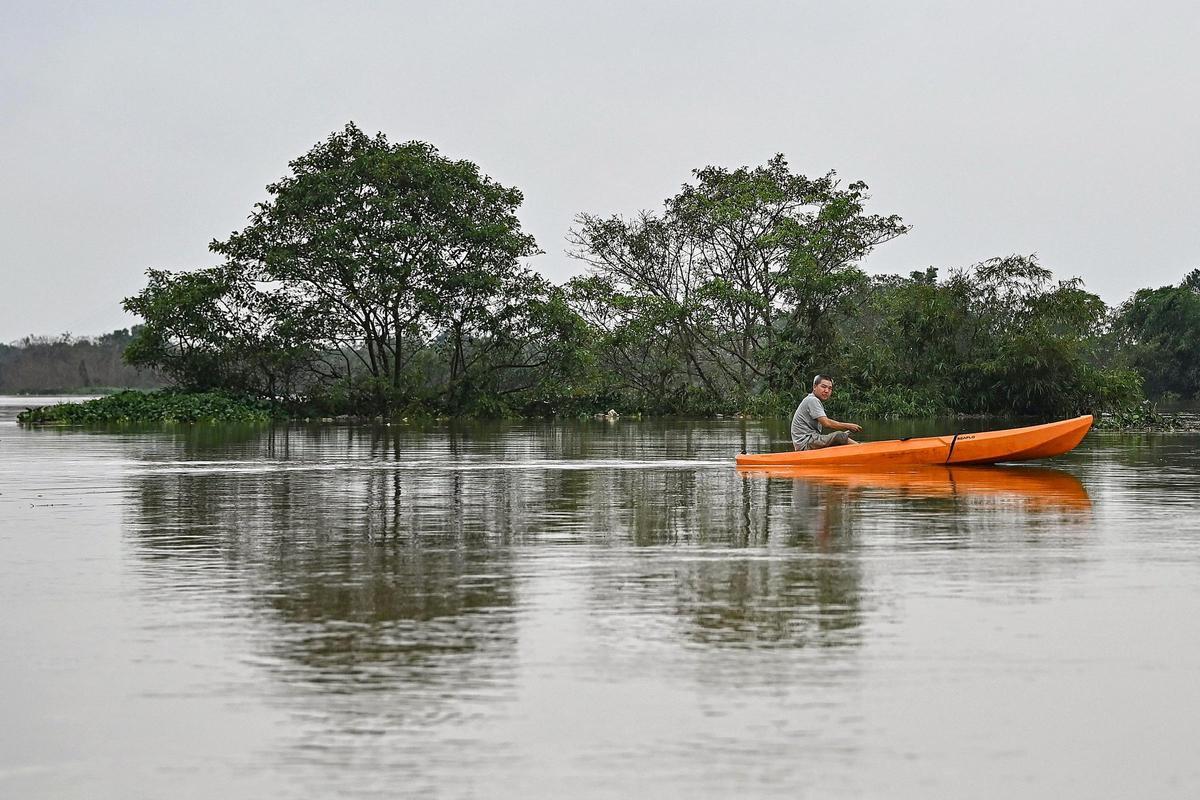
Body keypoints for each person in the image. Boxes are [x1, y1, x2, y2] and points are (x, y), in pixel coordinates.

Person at [791, 374, 862, 451]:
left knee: (844, 435)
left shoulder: (812, 400)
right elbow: (826, 423)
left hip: (810, 440)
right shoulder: (812, 400)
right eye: (823, 387)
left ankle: (859, 448)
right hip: (805, 444)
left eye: (830, 388)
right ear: (814, 387)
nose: (827, 391)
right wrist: (848, 426)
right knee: (839, 435)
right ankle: (862, 450)